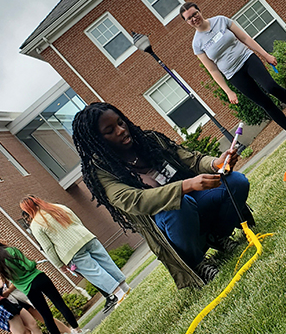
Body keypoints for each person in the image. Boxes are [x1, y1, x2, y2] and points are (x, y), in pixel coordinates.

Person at [71, 102, 250, 288]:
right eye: (110, 130)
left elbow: (191, 159)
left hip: (194, 201)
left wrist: (216, 163)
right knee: (178, 204)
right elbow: (134, 201)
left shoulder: (148, 140)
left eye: (120, 122)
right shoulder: (101, 171)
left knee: (237, 182)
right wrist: (185, 185)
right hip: (170, 219)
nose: (121, 130)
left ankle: (217, 236)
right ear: (97, 139)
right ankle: (197, 263)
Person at [179, 2, 286, 139]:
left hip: (247, 59)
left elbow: (245, 38)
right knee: (264, 102)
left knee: (271, 87)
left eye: (195, 14)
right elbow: (212, 70)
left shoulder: (221, 20)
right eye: (189, 18)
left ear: (199, 11)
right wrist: (228, 91)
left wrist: (266, 55)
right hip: (233, 75)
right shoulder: (197, 44)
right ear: (187, 22)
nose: (194, 18)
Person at [20, 195, 131, 312]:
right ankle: (125, 288)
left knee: (95, 273)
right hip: (86, 237)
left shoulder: (36, 225)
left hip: (71, 251)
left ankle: (119, 294)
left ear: (27, 210)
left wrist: (59, 264)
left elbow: (48, 248)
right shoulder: (57, 207)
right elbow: (77, 221)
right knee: (107, 263)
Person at [0, 234, 86, 334]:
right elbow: (29, 265)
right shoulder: (11, 250)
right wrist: (33, 262)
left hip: (28, 288)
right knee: (60, 304)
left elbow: (8, 279)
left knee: (46, 316)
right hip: (39, 278)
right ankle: (78, 332)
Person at [0, 256, 73, 334]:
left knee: (44, 317)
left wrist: (8, 290)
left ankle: (70, 332)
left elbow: (15, 280)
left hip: (20, 297)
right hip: (11, 305)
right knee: (29, 330)